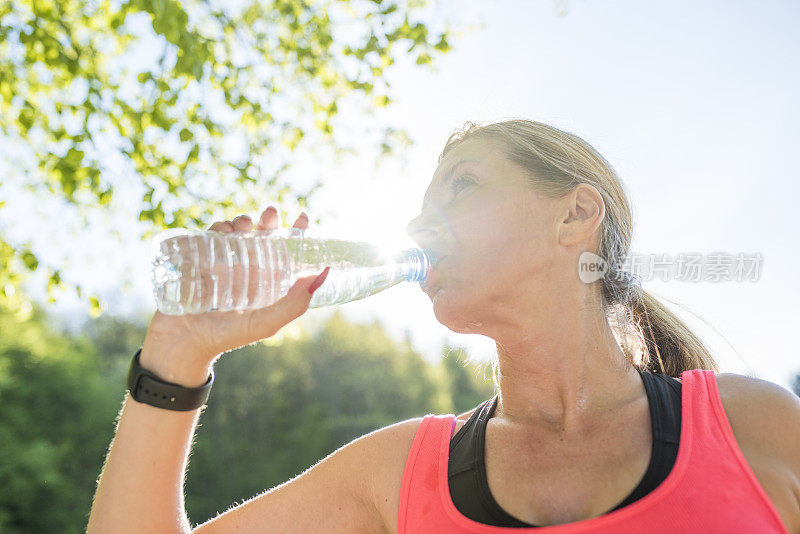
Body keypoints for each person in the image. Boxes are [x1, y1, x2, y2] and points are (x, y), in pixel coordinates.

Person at [87, 119, 800, 533]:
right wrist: (177, 355)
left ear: (576, 215)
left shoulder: (754, 427)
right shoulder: (401, 471)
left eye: (464, 186)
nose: (418, 223)